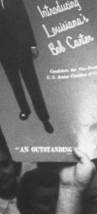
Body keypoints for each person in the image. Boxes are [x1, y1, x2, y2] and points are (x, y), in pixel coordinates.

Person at [0, 0, 53, 133]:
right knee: (15, 84)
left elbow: (24, 19)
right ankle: (25, 110)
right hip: (4, 52)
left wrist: (32, 44)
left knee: (32, 84)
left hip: (22, 48)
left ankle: (44, 118)